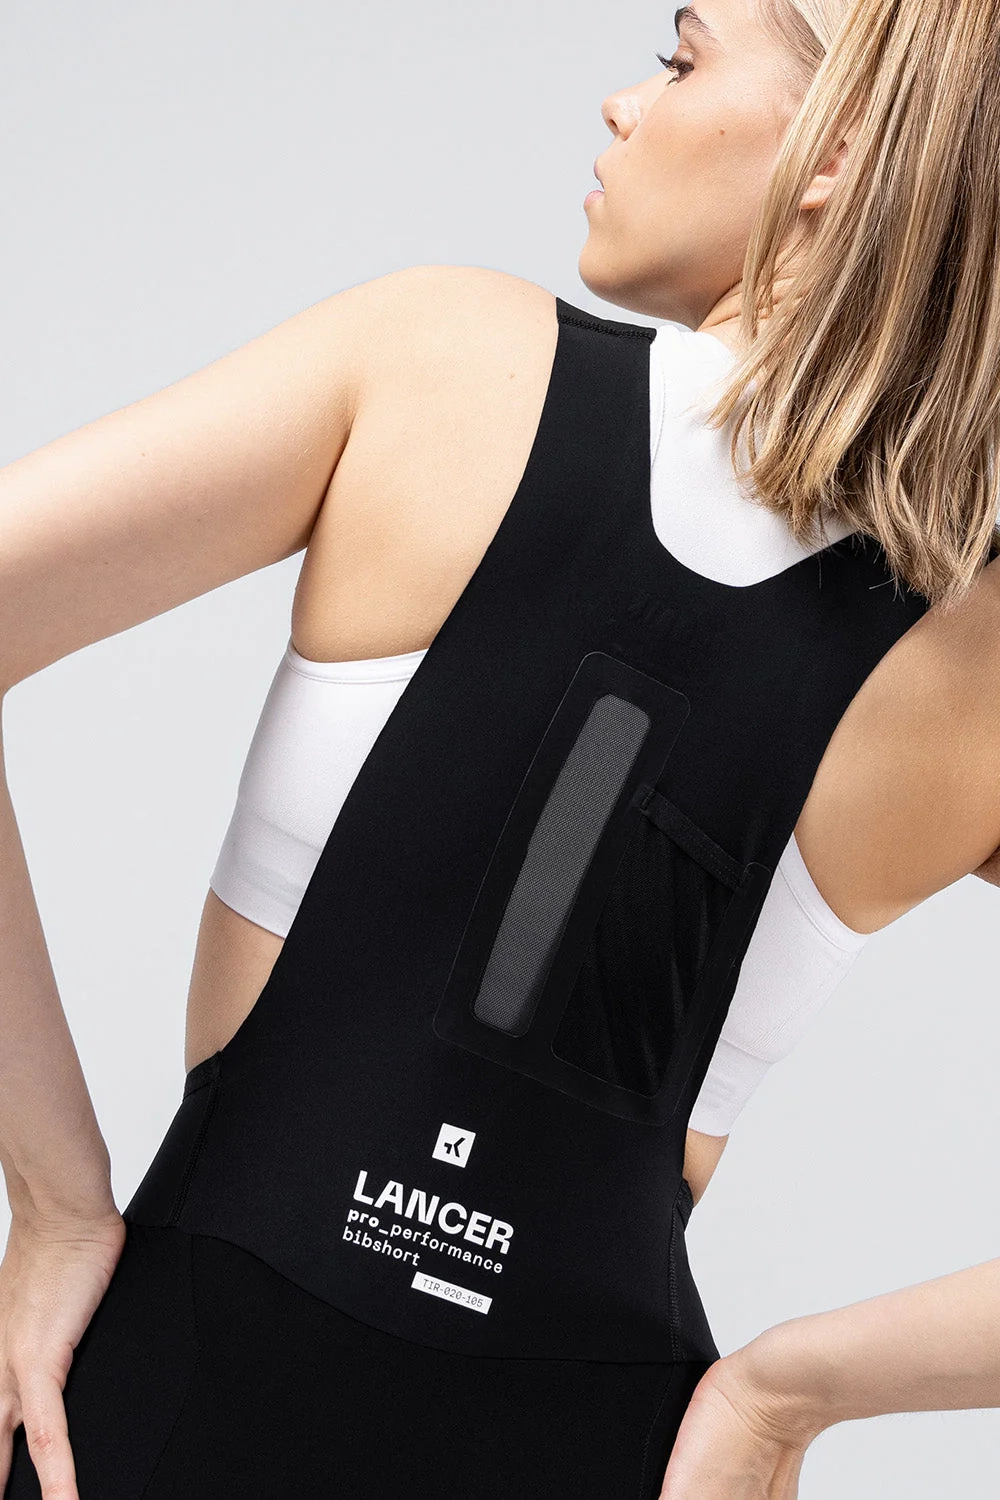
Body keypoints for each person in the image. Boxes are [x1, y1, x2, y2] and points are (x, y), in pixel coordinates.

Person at [3, 0, 1000, 1496]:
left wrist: (56, 1201)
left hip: (159, 1415)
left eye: (681, 57)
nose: (622, 105)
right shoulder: (975, 660)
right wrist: (787, 1395)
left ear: (839, 150)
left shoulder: (438, 364)